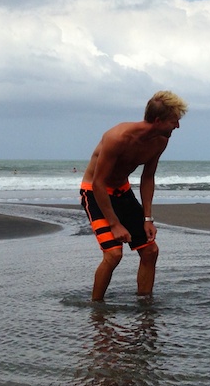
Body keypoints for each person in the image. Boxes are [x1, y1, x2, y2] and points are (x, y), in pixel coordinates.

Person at [80, 91, 188, 301]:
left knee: (150, 251)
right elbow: (98, 183)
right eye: (174, 121)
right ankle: (96, 310)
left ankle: (145, 306)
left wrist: (148, 218)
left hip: (122, 192)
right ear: (158, 121)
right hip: (95, 193)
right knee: (113, 255)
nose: (177, 126)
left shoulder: (160, 141)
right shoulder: (117, 138)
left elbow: (148, 177)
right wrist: (114, 224)